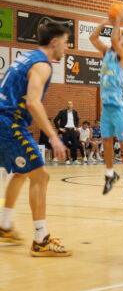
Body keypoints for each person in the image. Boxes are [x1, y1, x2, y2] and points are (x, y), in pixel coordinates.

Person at [0, 22, 72, 256]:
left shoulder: (28, 57)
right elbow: (33, 102)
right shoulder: (42, 65)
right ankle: (41, 240)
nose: (67, 47)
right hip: (8, 123)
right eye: (65, 41)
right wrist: (54, 137)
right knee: (41, 175)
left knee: (22, 173)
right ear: (54, 42)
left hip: (5, 121)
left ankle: (4, 225)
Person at [89, 10, 123, 198]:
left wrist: (117, 21)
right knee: (106, 141)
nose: (115, 41)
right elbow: (93, 37)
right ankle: (110, 174)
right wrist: (104, 22)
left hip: (120, 107)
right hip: (107, 106)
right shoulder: (107, 53)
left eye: (119, 40)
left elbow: (115, 40)